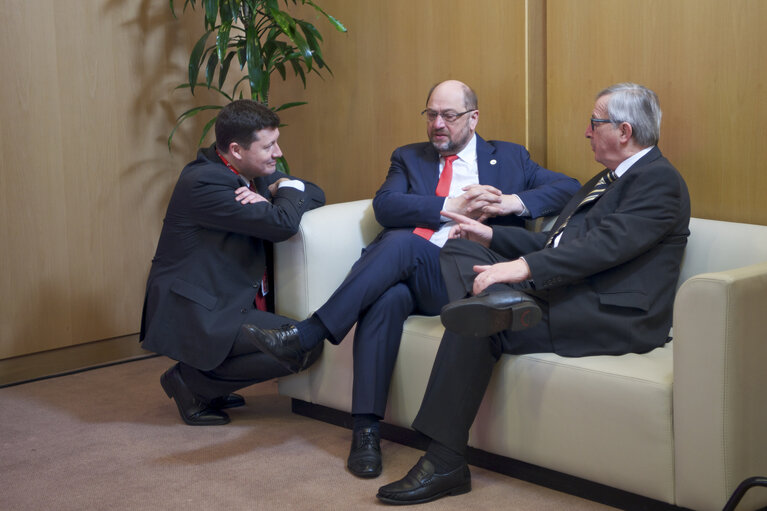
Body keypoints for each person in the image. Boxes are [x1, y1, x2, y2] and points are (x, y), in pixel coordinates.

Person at [242, 80, 580, 476]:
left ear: (473, 118)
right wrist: (447, 205)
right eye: (431, 114)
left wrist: (511, 201)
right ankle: (365, 432)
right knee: (385, 298)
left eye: (449, 116)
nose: (438, 124)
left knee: (401, 245)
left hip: (460, 276)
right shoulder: (408, 157)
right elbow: (386, 206)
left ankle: (309, 334)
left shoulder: (508, 158)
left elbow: (568, 187)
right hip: (409, 272)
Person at [375, 82, 691, 505]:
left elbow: (604, 248)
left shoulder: (659, 181)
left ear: (624, 131)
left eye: (594, 123)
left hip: (612, 312)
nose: (586, 132)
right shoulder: (608, 179)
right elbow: (559, 245)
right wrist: (491, 237)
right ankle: (497, 299)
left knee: (479, 323)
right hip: (566, 290)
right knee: (459, 247)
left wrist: (522, 268)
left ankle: (445, 460)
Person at [140, 99, 326, 426]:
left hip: (225, 301)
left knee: (302, 340)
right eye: (269, 146)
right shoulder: (205, 182)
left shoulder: (247, 175)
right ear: (237, 149)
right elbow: (282, 225)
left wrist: (281, 190)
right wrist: (278, 201)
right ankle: (190, 383)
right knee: (302, 344)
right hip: (196, 308)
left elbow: (313, 193)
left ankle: (203, 381)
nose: (278, 153)